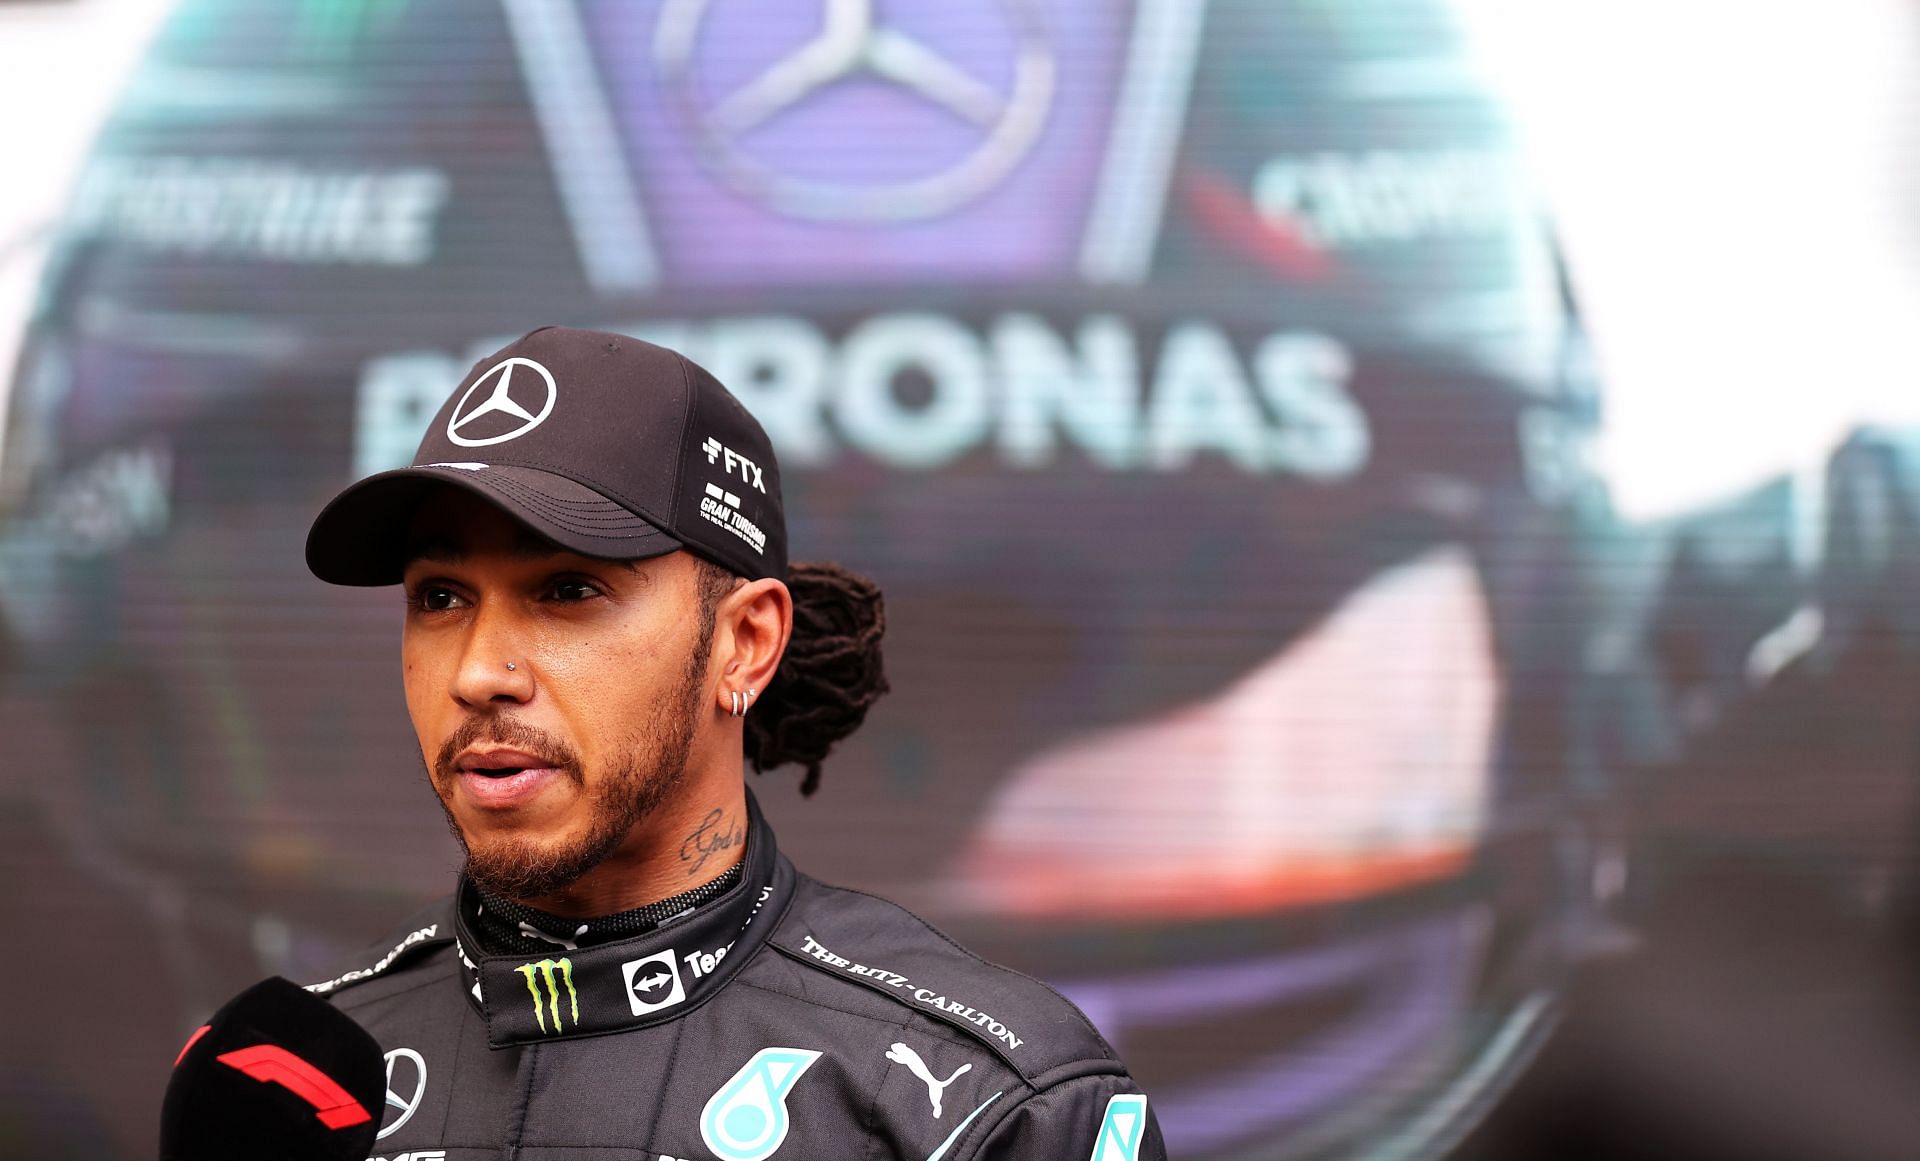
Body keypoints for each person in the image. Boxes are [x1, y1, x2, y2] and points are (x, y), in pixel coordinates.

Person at [297, 325, 1166, 1161]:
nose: (480, 672)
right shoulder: (294, 1080)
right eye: (441, 597)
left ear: (744, 642)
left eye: (566, 587)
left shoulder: (986, 1103)